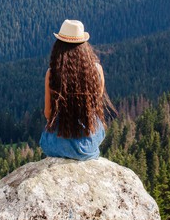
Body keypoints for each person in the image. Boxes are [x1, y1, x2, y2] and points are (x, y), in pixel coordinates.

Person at [40, 19, 114, 160]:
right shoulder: (97, 70)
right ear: (84, 45)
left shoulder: (52, 73)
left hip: (59, 143)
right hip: (88, 144)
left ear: (59, 46)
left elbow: (48, 113)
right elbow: (95, 106)